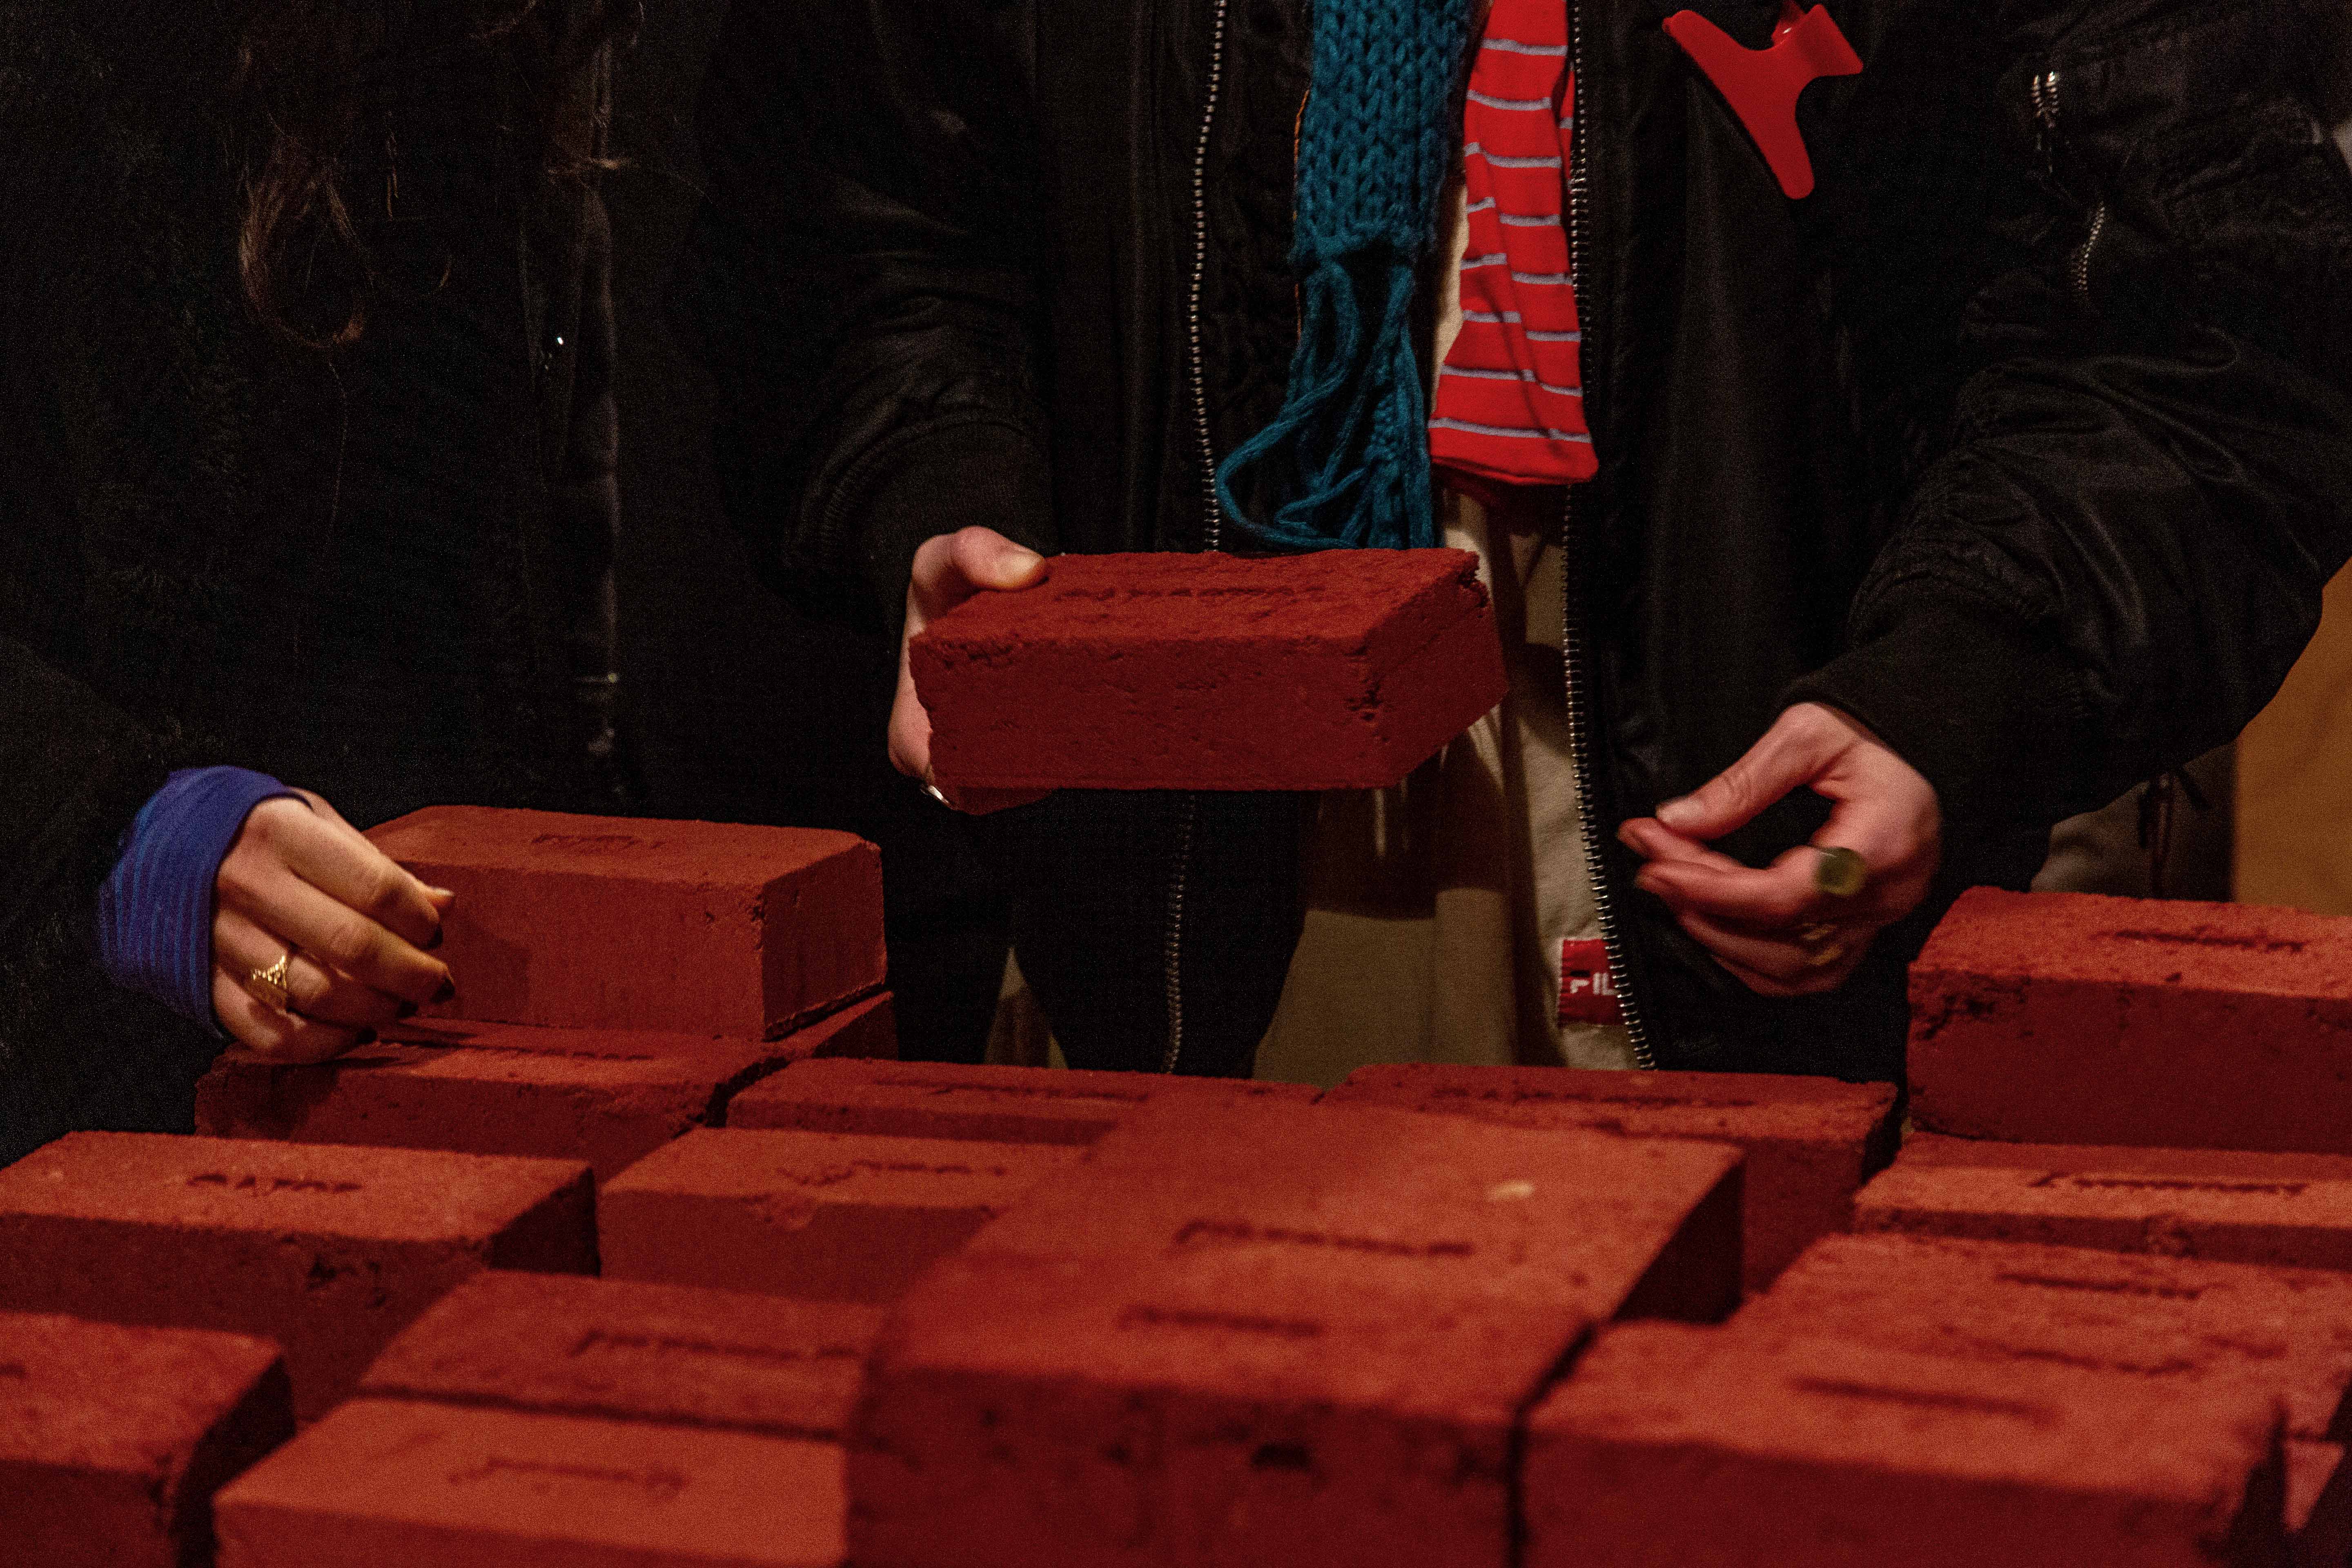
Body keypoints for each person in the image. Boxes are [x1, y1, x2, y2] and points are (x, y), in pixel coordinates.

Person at [682, 0, 2352, 1083]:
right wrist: (937, 498)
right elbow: (856, 223)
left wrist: (1963, 686)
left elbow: (2200, 321)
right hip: (1177, 897)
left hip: (1771, 855)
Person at [0, 0, 638, 1163]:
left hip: (415, 1027)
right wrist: (96, 827)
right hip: (69, 1079)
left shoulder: (483, 42)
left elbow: (517, 491)